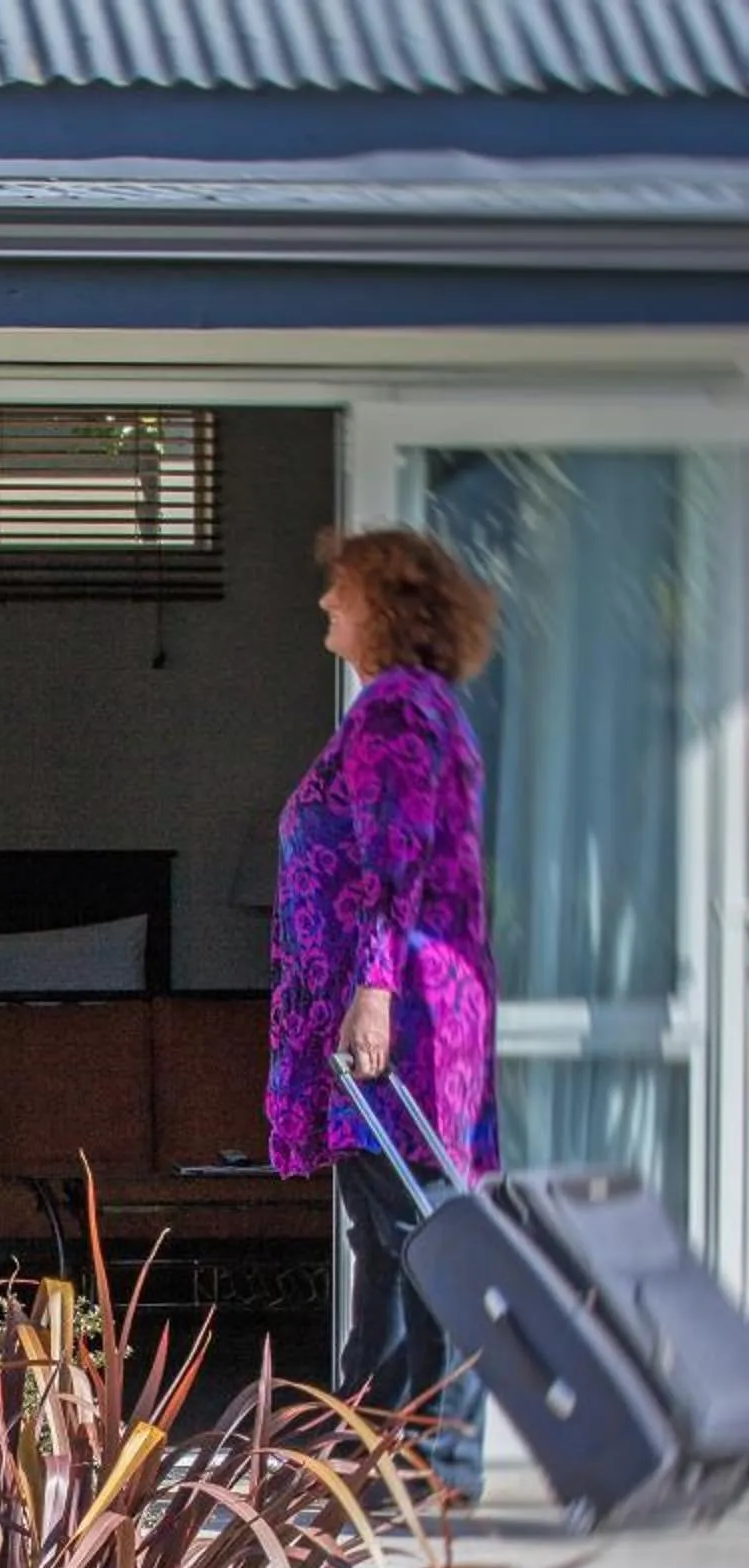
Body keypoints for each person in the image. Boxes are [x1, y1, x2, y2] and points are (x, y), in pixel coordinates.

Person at [266, 524, 502, 1504]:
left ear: (385, 609)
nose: (326, 603)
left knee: (413, 1233)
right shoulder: (415, 706)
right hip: (410, 1007)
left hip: (399, 1018)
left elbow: (391, 864)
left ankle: (418, 1463)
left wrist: (371, 993)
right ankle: (376, 1459)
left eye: (343, 591)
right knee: (395, 1231)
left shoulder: (397, 710)